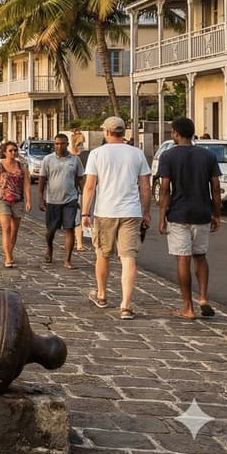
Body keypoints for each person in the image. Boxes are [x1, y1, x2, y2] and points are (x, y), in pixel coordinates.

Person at [82, 116, 151, 321]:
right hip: (131, 211)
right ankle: (126, 306)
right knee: (129, 258)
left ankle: (102, 295)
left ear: (106, 132)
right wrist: (146, 212)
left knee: (102, 254)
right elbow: (145, 187)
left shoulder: (97, 154)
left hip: (105, 211)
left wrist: (85, 212)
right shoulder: (137, 154)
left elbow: (89, 186)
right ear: (124, 132)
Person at [157, 117, 221, 319]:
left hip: (179, 213)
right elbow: (216, 188)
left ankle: (188, 306)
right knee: (200, 256)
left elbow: (165, 189)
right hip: (202, 212)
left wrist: (161, 216)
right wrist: (216, 214)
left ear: (176, 133)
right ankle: (203, 297)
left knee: (182, 258)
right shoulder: (208, 156)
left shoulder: (168, 156)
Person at [38, 133, 84, 269]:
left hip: (70, 199)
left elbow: (81, 179)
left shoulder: (75, 160)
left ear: (67, 144)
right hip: (53, 200)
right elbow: (42, 181)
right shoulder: (48, 160)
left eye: (62, 143)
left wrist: (85, 197)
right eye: (57, 143)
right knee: (50, 231)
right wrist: (41, 199)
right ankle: (49, 248)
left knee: (69, 228)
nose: (59, 146)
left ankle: (68, 259)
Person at [0, 140, 31, 267]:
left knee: (14, 229)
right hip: (3, 200)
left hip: (17, 200)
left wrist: (28, 200)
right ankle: (8, 257)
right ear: (5, 152)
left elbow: (26, 184)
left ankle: (10, 251)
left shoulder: (21, 166)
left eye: (15, 150)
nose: (13, 152)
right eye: (10, 150)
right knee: (6, 228)